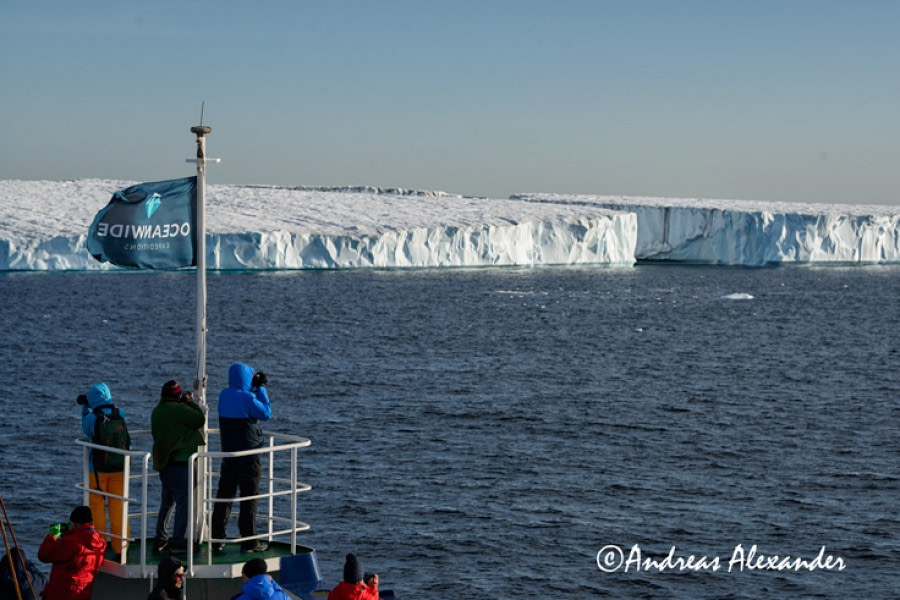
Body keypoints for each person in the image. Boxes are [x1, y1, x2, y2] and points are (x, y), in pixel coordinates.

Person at [211, 363, 272, 553]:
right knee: (249, 499)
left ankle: (217, 538)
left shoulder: (224, 395)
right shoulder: (247, 398)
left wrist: (252, 387)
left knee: (224, 498)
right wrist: (261, 388)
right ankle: (249, 541)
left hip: (229, 457)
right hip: (248, 457)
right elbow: (266, 413)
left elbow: (241, 399)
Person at [151, 380, 206, 554]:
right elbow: (199, 419)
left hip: (164, 463)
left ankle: (160, 538)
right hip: (181, 463)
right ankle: (177, 541)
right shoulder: (180, 410)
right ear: (178, 395)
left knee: (167, 502)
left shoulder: (157, 411)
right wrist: (191, 403)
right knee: (184, 503)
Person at [78, 382, 129, 558]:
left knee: (96, 508)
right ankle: (121, 547)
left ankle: (98, 546)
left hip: (97, 471)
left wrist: (85, 409)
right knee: (118, 507)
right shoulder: (120, 414)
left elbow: (86, 429)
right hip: (120, 469)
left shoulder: (92, 418)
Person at [37, 506, 106, 600]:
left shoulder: (72, 542)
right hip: (83, 594)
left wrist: (52, 536)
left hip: (62, 594)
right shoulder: (100, 543)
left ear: (76, 524)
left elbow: (43, 555)